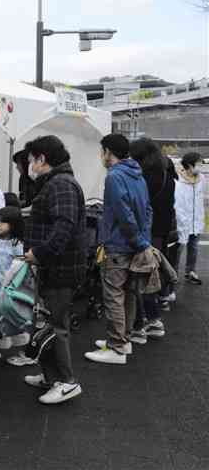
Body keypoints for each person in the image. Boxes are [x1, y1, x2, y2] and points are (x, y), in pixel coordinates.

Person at [22, 135, 85, 404]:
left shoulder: (60, 184)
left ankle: (68, 382)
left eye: (30, 161)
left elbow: (64, 227)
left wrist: (38, 252)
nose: (29, 166)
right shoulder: (56, 183)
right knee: (47, 323)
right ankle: (50, 375)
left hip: (61, 268)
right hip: (53, 266)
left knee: (57, 326)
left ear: (42, 159)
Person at [85, 134, 152, 365]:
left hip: (119, 245)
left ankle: (116, 346)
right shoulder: (137, 174)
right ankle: (123, 340)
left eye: (101, 151)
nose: (100, 156)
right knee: (129, 294)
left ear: (108, 152)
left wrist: (137, 240)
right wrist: (143, 240)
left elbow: (124, 214)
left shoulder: (114, 176)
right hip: (135, 244)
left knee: (113, 295)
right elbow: (147, 210)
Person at [129, 137, 174, 340]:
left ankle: (146, 322)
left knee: (142, 278)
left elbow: (139, 207)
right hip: (161, 231)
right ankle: (154, 319)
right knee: (150, 276)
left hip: (146, 233)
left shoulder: (144, 178)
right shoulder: (166, 175)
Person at [0, 206, 34, 366]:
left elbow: (22, 267)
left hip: (11, 290)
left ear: (14, 224)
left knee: (14, 320)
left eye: (2, 222)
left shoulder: (17, 244)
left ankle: (22, 353)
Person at [175, 152, 205, 285]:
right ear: (189, 165)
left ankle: (190, 271)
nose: (200, 166)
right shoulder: (177, 180)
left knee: (194, 248)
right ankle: (172, 274)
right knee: (178, 249)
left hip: (196, 220)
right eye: (197, 163)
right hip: (182, 220)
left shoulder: (201, 179)